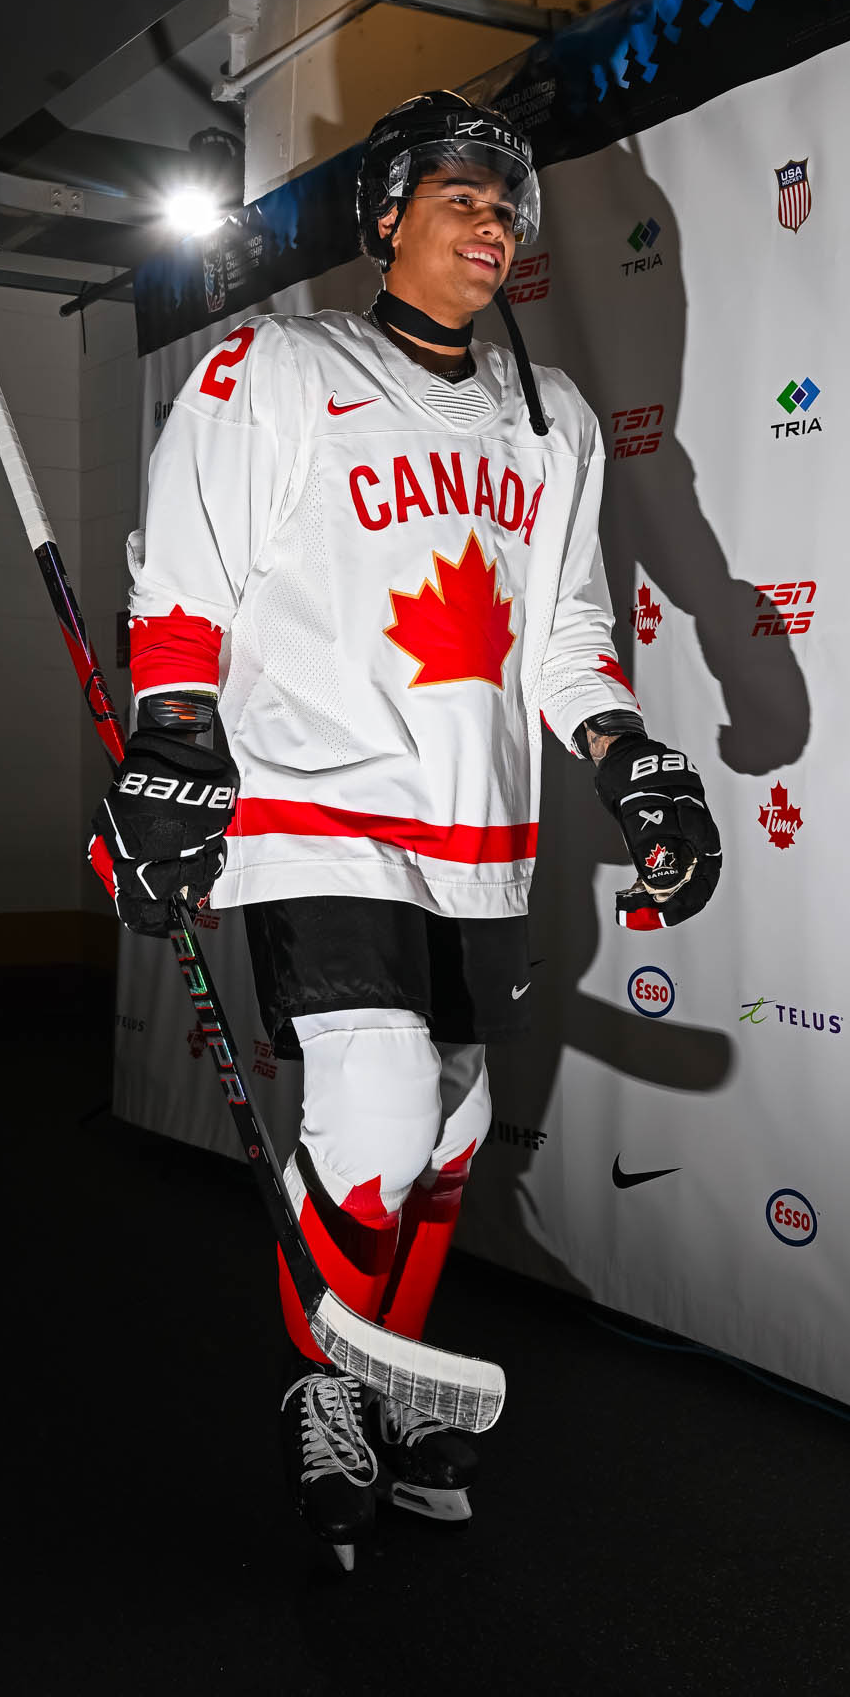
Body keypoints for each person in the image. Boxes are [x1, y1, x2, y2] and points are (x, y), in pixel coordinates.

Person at [88, 90, 722, 1565]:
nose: (492, 227)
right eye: (459, 200)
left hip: (475, 830)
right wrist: (173, 736)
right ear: (385, 218)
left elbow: (563, 636)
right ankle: (327, 1386)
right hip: (318, 806)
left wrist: (629, 759)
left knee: (449, 1126)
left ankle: (393, 1377)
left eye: (507, 208)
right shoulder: (280, 366)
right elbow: (185, 578)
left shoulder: (553, 420)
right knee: (371, 1110)